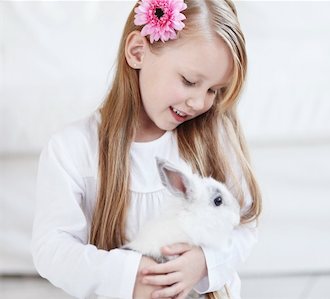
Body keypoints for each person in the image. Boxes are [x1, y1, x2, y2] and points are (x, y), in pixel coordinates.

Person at [31, 0, 262, 299]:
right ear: (137, 52)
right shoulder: (71, 149)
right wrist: (131, 276)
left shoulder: (212, 137)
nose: (200, 103)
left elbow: (244, 223)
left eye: (213, 91)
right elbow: (52, 248)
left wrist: (204, 263)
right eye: (189, 81)